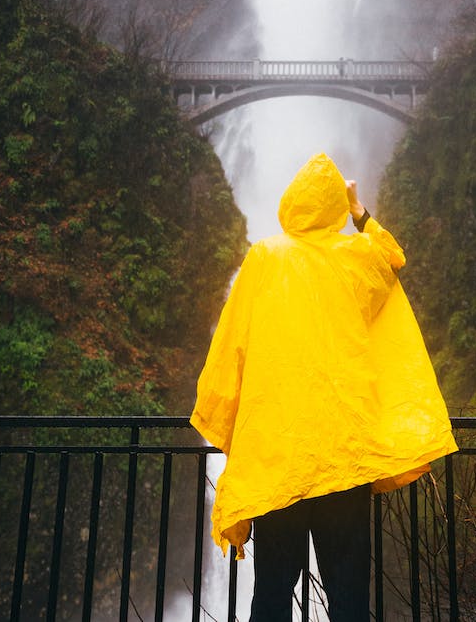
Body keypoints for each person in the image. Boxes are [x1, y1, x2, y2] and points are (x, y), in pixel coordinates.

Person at [190, 152, 457, 622]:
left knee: (272, 591)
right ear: (334, 206)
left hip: (281, 462)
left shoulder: (264, 258)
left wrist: (231, 428)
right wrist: (358, 211)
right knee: (349, 591)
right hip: (343, 458)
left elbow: (231, 348)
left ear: (291, 202)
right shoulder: (353, 258)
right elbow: (391, 257)